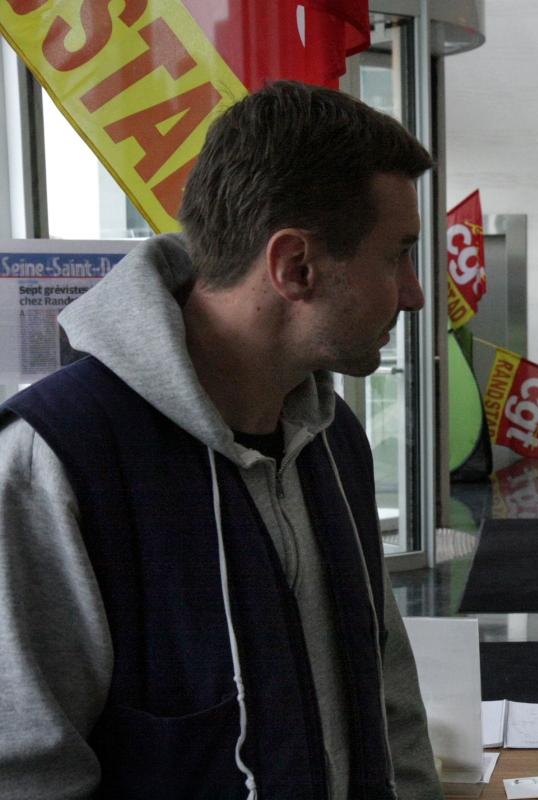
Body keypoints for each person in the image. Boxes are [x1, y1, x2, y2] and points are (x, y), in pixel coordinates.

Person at [0, 81, 443, 799]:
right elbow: (25, 775)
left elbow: (387, 698)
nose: (414, 293)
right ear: (294, 265)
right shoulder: (55, 465)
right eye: (397, 255)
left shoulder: (335, 442)